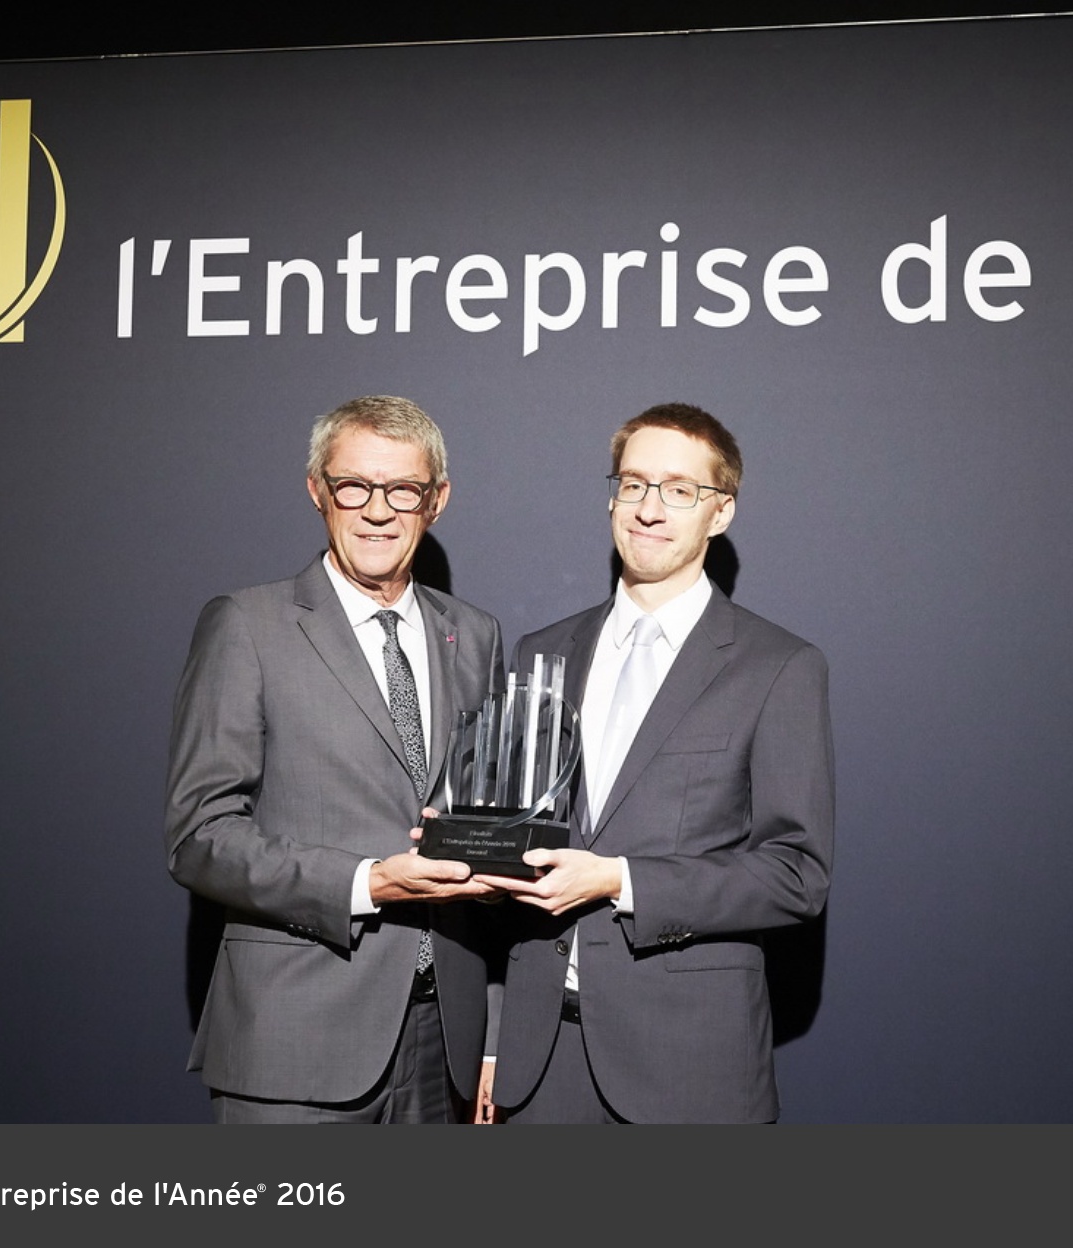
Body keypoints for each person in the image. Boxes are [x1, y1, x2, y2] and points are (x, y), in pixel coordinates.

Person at [477, 402, 834, 1123]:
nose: (649, 508)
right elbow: (513, 852)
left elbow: (797, 875)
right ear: (612, 497)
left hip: (686, 1066)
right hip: (537, 1065)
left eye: (679, 489)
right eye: (634, 484)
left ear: (720, 512)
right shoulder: (540, 653)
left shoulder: (777, 667)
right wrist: (492, 1039)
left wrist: (621, 879)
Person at [165, 395, 503, 1123]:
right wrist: (366, 882)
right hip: (295, 1037)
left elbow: (490, 829)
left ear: (437, 500)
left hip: (442, 1042)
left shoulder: (475, 635)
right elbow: (200, 839)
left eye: (403, 489)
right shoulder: (248, 624)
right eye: (354, 486)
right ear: (318, 490)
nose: (377, 511)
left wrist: (496, 1036)